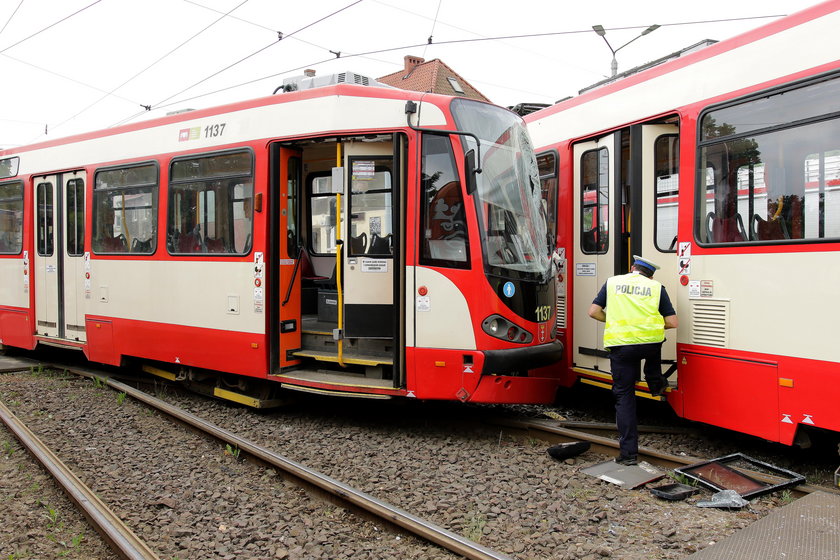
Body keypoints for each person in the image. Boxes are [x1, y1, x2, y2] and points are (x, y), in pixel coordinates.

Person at [588, 255, 678, 466]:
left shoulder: (613, 282)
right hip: (650, 345)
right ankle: (655, 382)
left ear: (632, 268)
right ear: (650, 274)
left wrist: (613, 321)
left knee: (624, 397)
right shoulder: (656, 287)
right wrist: (650, 328)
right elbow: (672, 322)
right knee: (654, 348)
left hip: (622, 348)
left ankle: (628, 455)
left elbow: (593, 312)